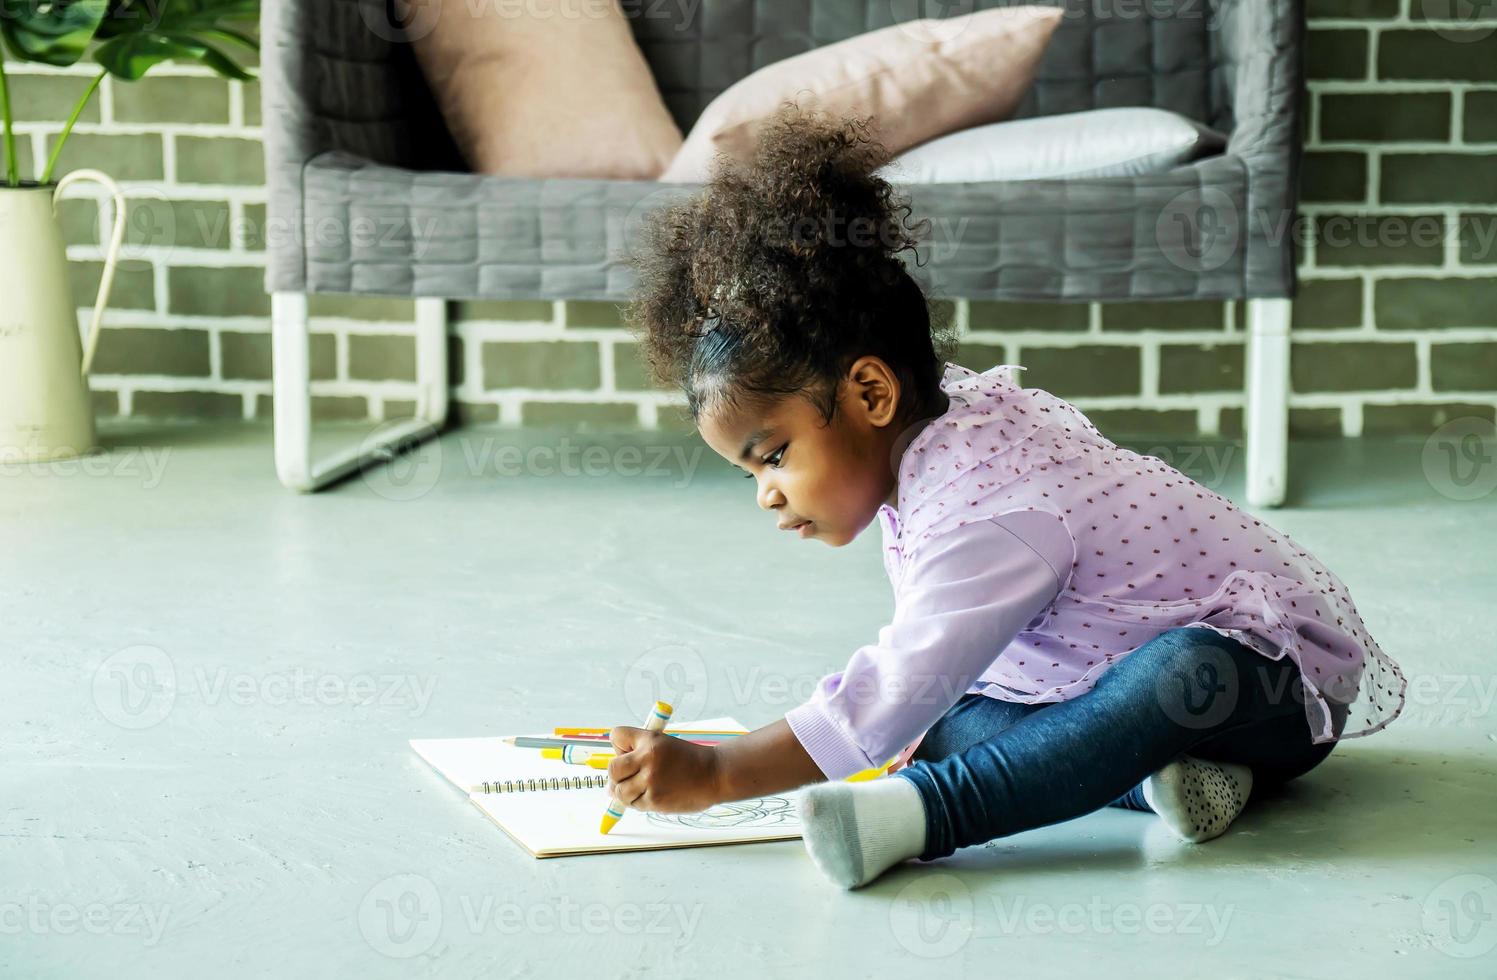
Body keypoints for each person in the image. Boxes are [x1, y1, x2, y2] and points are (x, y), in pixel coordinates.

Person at [604, 101, 1407, 889]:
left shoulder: (988, 507)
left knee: (1174, 673)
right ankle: (1156, 778)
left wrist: (718, 774)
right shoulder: (936, 424)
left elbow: (887, 695)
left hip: (1268, 682)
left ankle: (920, 815)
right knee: (951, 721)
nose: (766, 497)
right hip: (1104, 678)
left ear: (871, 394)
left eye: (773, 456)